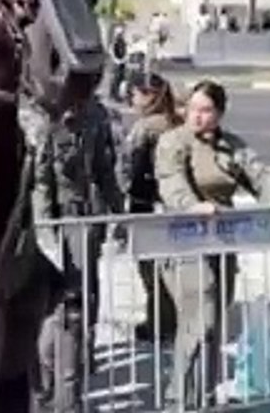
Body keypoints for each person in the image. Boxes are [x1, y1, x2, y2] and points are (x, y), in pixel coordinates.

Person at [155, 78, 270, 408]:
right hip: (184, 241)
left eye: (206, 110)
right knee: (199, 319)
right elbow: (170, 180)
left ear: (219, 113)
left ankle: (204, 395)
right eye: (192, 109)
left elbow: (258, 177)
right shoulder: (173, 142)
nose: (197, 116)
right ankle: (177, 398)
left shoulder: (230, 145)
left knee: (214, 326)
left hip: (222, 241)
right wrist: (191, 205)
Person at [25, 94, 124, 412]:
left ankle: (77, 372)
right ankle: (46, 385)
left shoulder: (96, 114)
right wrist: (46, 231)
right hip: (56, 219)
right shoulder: (45, 120)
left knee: (83, 297)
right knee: (53, 304)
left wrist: (119, 214)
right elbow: (41, 181)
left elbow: (104, 168)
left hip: (85, 219)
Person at [113, 71, 179, 341]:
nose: (134, 97)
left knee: (150, 269)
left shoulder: (146, 128)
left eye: (138, 93)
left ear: (151, 96)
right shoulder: (174, 122)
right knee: (167, 265)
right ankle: (167, 318)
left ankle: (160, 322)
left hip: (146, 203)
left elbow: (128, 166)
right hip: (170, 203)